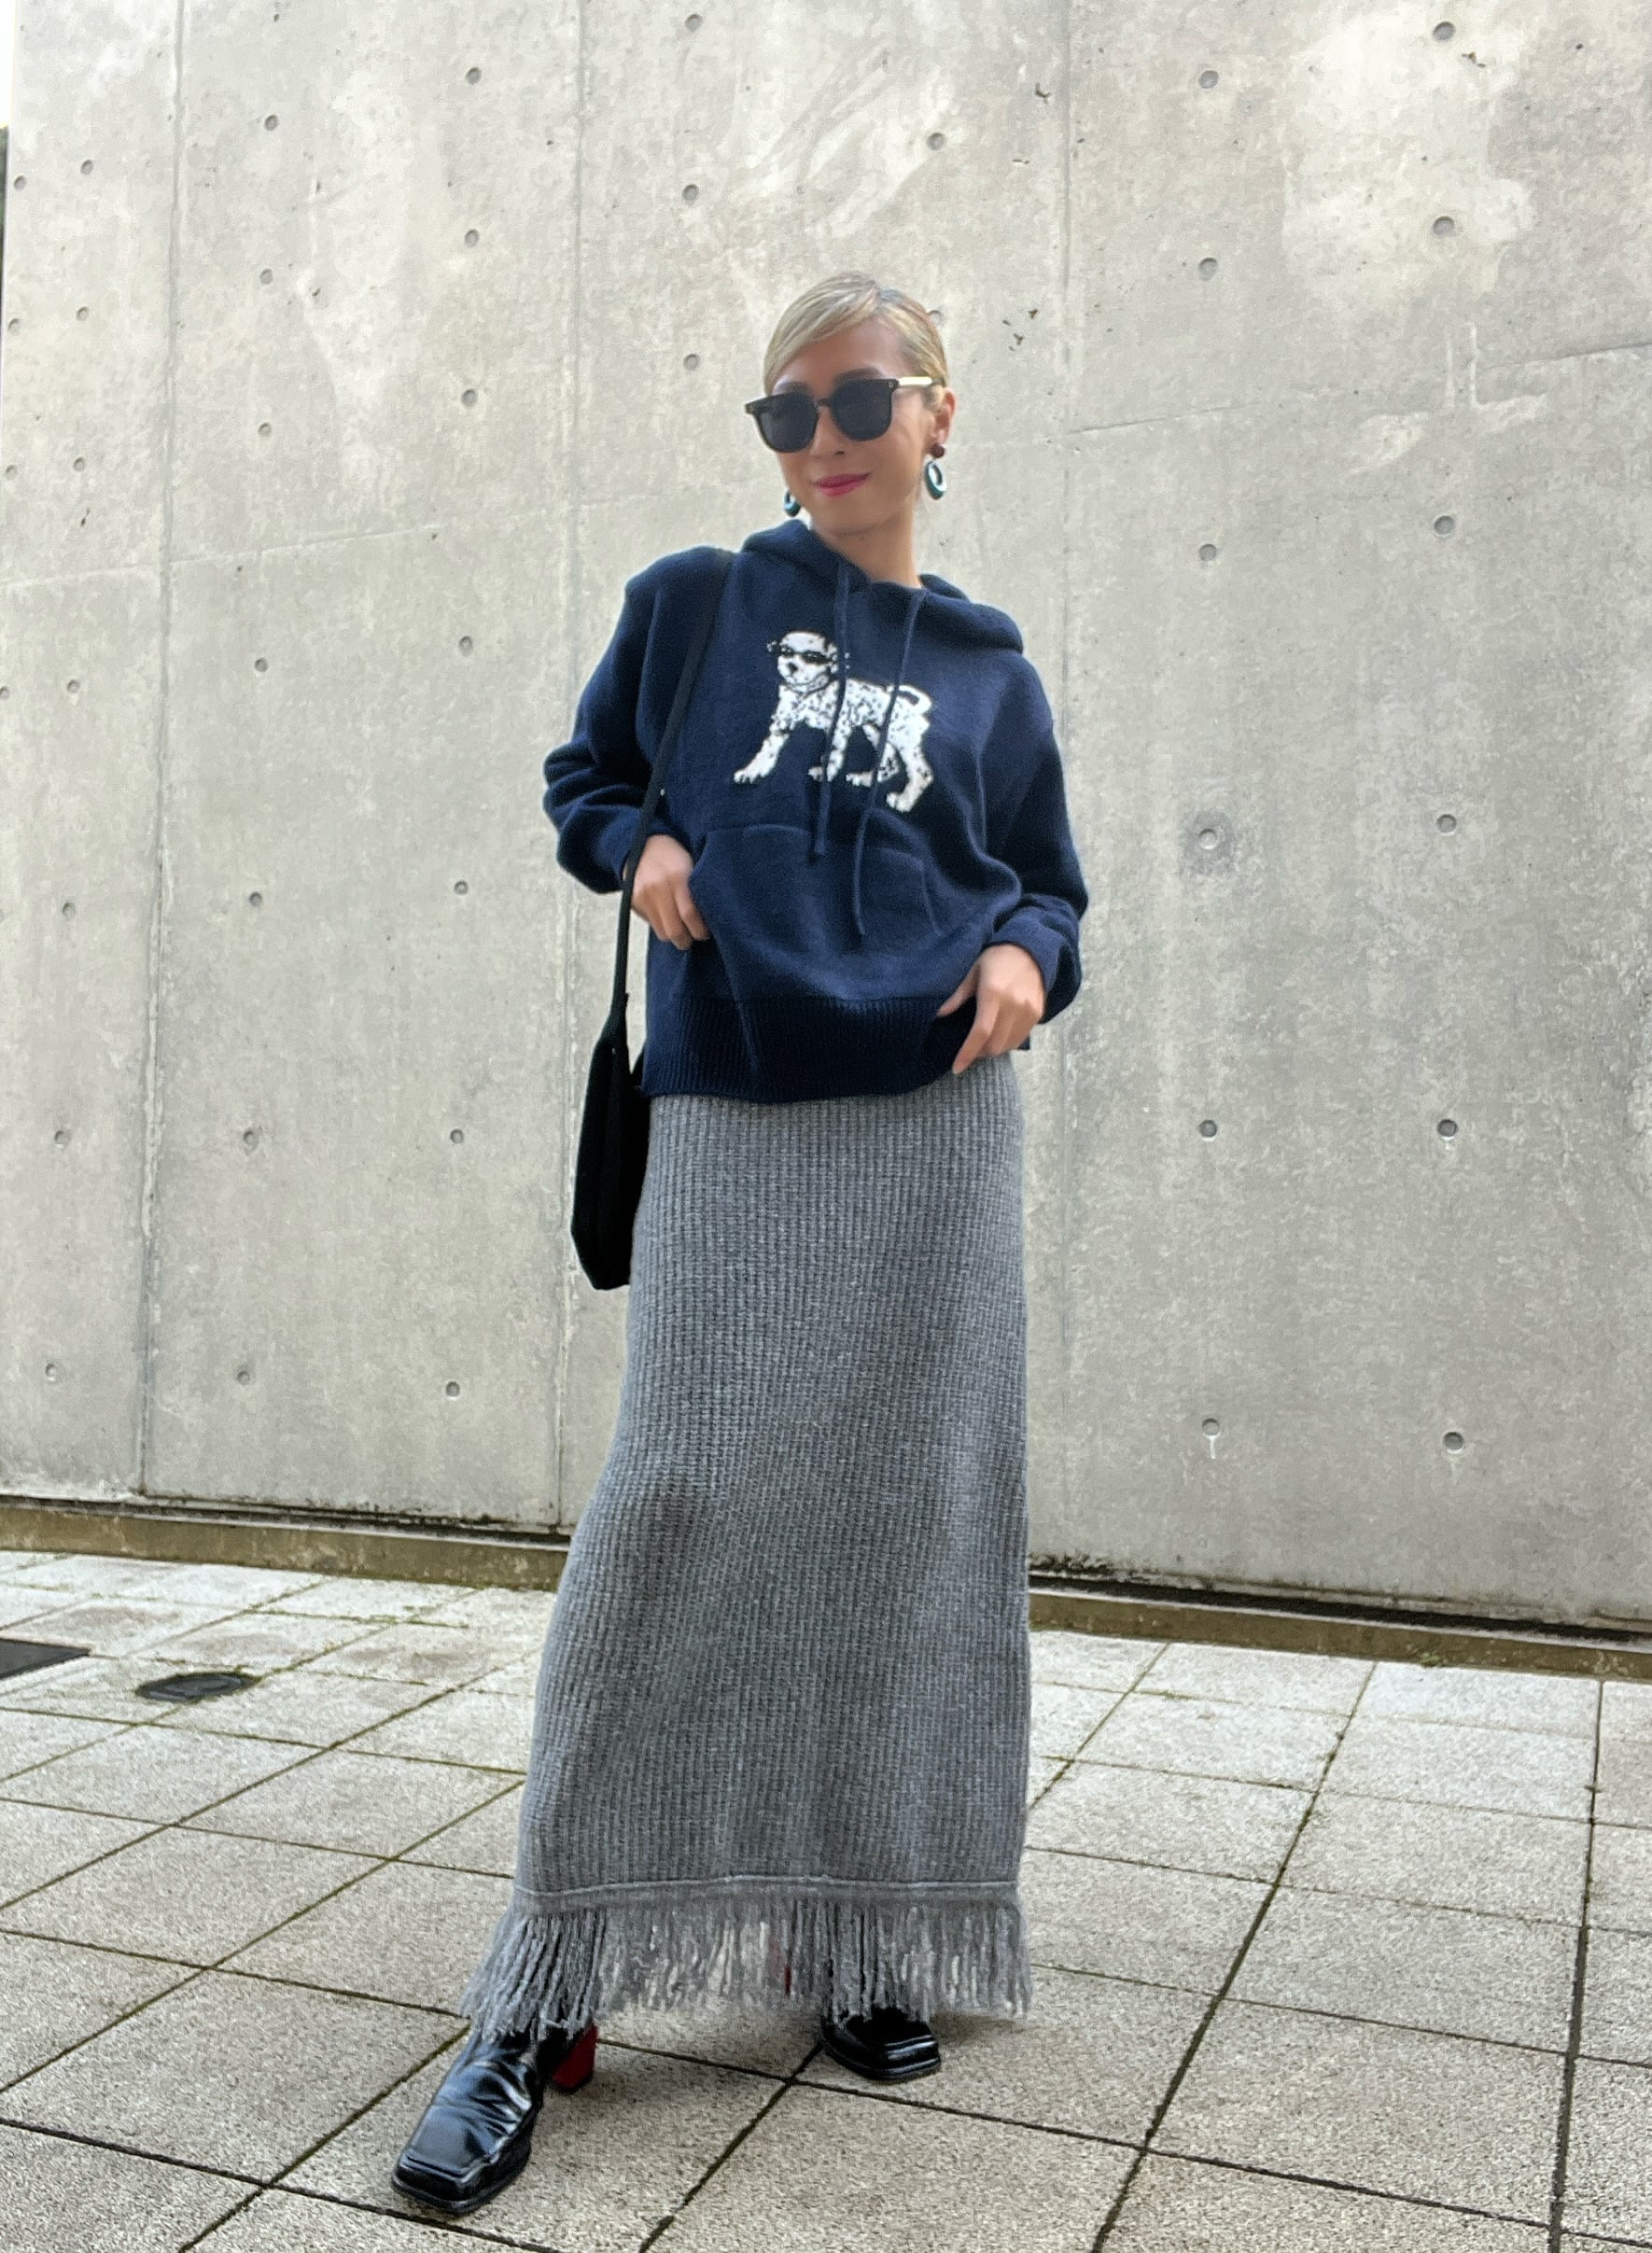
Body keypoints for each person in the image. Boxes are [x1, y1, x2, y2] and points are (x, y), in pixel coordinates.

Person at [391, 270, 1089, 2218]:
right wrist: (642, 847)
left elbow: (1050, 887)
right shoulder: (695, 605)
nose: (824, 438)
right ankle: (544, 1981)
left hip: (937, 1123)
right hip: (731, 1103)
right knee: (679, 1495)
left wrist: (1029, 957)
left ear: (938, 410)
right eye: (787, 411)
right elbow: (586, 781)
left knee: (906, 1516)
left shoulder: (991, 667)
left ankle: (854, 1924)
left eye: (860, 398)